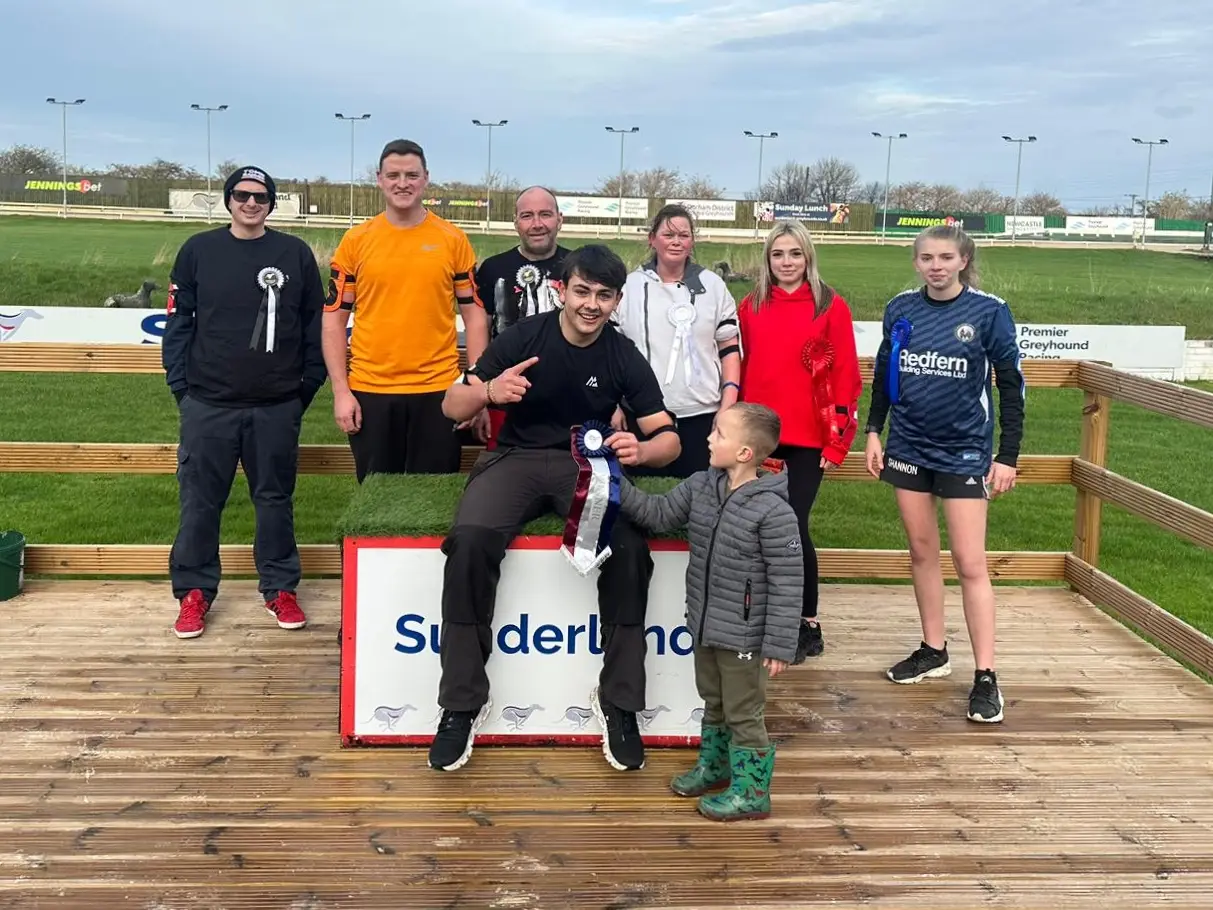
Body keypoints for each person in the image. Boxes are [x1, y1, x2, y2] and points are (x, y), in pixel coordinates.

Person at [428, 244, 681, 774]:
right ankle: (462, 702)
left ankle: (619, 702)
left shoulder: (621, 354)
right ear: (562, 289)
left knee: (630, 547)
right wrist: (490, 392)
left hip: (583, 467)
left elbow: (668, 438)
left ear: (616, 301)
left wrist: (644, 449)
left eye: (604, 295)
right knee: (470, 540)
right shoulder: (524, 336)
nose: (592, 304)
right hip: (514, 458)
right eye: (582, 291)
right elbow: (453, 404)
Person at [864, 223, 1025, 724]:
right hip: (909, 445)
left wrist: (1008, 456)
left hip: (965, 452)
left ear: (962, 261)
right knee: (920, 551)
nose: (936, 265)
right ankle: (934, 649)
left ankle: (986, 676)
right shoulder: (901, 308)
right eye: (927, 257)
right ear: (916, 262)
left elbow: (1012, 387)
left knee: (970, 562)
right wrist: (874, 430)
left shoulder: (989, 312)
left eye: (945, 257)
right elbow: (884, 374)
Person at [162, 165, 328, 639]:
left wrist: (302, 391)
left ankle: (279, 588)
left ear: (271, 203)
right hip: (207, 405)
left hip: (276, 406)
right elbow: (178, 324)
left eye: (260, 197)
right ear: (228, 199)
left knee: (274, 499)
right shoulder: (198, 251)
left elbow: (316, 327)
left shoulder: (294, 254)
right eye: (241, 194)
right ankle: (194, 592)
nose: (251, 203)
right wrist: (183, 389)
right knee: (199, 501)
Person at [616, 402, 801, 822]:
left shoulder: (773, 511)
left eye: (718, 433)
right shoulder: (702, 485)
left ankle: (753, 791)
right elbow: (658, 515)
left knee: (743, 711)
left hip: (746, 637)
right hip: (705, 625)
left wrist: (778, 645)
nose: (708, 438)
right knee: (713, 701)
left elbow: (789, 583)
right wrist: (613, 480)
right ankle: (716, 767)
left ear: (744, 453)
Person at [322, 138, 491, 482]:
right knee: (375, 504)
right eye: (394, 175)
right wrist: (341, 391)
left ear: (426, 178)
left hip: (439, 393)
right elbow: (333, 322)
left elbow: (475, 317)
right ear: (379, 179)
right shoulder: (356, 241)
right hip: (371, 391)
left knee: (431, 506)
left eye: (412, 175)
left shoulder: (452, 239)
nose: (403, 183)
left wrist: (475, 388)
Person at [737, 220, 861, 664]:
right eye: (777, 254)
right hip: (759, 440)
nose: (786, 263)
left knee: (792, 529)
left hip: (808, 440)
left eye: (795, 254)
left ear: (807, 257)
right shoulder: (751, 306)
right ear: (767, 260)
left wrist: (837, 443)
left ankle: (807, 622)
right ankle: (763, 618)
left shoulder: (831, 306)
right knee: (754, 529)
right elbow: (742, 367)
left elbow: (847, 376)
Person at [613, 204, 741, 478]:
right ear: (652, 239)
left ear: (692, 241)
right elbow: (609, 351)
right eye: (668, 234)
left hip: (702, 414)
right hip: (641, 415)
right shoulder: (629, 286)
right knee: (640, 505)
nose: (676, 241)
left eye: (683, 235)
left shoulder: (714, 286)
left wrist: (728, 404)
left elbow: (729, 348)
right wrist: (612, 404)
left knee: (700, 502)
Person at [473, 185, 571, 449]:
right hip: (505, 397)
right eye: (527, 216)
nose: (537, 224)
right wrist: (478, 397)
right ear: (516, 222)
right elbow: (480, 330)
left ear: (559, 219)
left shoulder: (577, 266)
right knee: (504, 480)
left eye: (545, 214)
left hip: (568, 396)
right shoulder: (493, 269)